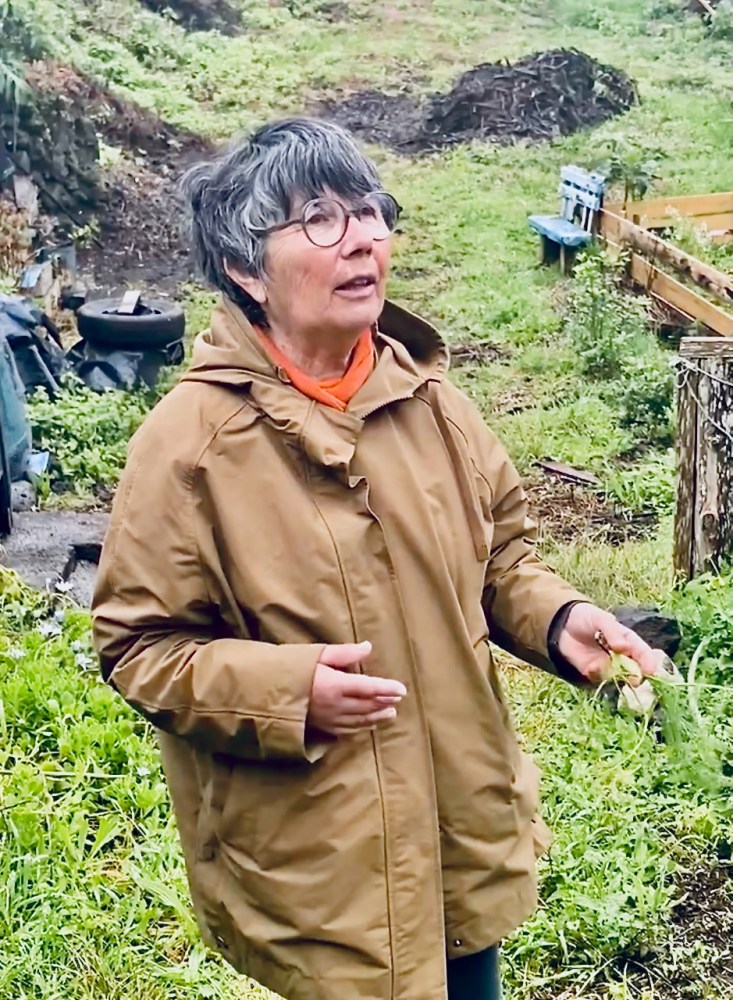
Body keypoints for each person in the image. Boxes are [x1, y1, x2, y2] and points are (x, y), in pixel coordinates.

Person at [91, 118, 660, 1000]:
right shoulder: (190, 447)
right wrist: (289, 692)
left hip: (456, 821)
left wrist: (556, 619)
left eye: (368, 212)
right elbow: (139, 650)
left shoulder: (427, 400)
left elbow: (499, 553)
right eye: (319, 218)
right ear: (246, 269)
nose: (361, 238)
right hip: (322, 859)